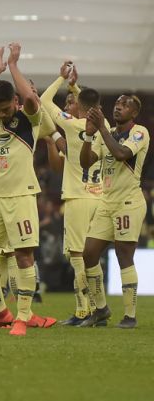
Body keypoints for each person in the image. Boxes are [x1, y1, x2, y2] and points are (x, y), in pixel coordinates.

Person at [0, 43, 56, 336]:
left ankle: (23, 316)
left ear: (14, 102)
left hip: (21, 196)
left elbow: (30, 98)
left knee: (23, 257)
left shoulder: (30, 119)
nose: (3, 115)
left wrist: (14, 66)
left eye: (6, 109)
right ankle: (0, 312)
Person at [40, 62, 107, 325]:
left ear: (78, 106)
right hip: (99, 197)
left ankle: (84, 311)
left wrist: (61, 78)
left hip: (78, 198)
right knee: (91, 257)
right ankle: (98, 309)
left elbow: (44, 100)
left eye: (73, 101)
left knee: (77, 256)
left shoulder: (71, 124)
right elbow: (92, 105)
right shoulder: (103, 125)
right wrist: (75, 86)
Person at [79, 94, 147, 329]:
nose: (118, 106)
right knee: (88, 254)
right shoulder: (103, 133)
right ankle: (101, 309)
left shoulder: (140, 132)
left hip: (129, 202)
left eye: (125, 105)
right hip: (107, 202)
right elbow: (85, 163)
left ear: (134, 113)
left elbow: (121, 154)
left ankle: (130, 315)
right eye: (117, 103)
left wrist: (102, 130)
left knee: (123, 255)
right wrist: (89, 134)